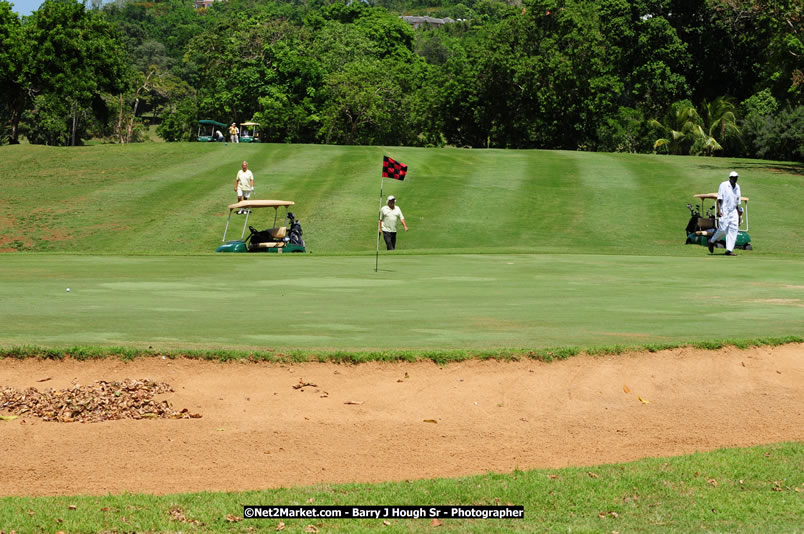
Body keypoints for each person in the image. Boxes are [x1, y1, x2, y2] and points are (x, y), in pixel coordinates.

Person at [708, 171, 743, 256]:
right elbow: (719, 199)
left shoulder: (738, 187)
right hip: (725, 210)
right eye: (733, 177)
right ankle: (711, 241)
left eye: (736, 177)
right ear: (730, 178)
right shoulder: (723, 185)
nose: (735, 179)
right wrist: (719, 211)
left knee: (733, 230)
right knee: (723, 229)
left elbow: (738, 202)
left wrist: (738, 215)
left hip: (733, 211)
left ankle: (729, 250)